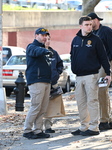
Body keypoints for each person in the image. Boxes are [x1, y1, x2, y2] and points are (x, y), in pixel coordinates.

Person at [70, 16, 111, 136]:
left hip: (92, 76)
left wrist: (108, 73)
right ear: (80, 26)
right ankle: (84, 126)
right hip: (78, 77)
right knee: (81, 102)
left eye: (90, 24)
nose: (89, 26)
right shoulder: (75, 40)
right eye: (86, 24)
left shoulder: (96, 40)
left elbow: (103, 57)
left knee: (92, 101)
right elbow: (73, 56)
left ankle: (94, 127)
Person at [23, 27, 53, 139]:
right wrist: (46, 50)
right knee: (35, 106)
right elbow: (36, 51)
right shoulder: (32, 47)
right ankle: (27, 130)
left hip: (46, 81)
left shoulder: (45, 49)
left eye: (46, 35)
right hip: (36, 81)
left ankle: (38, 130)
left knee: (43, 108)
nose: (44, 37)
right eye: (42, 35)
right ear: (36, 35)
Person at [88, 12, 112, 131]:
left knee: (101, 90)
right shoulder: (92, 34)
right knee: (101, 92)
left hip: (106, 64)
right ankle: (108, 119)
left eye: (90, 21)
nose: (89, 24)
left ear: (96, 20)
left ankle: (104, 120)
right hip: (97, 66)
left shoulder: (106, 31)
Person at [44, 33, 63, 133]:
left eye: (49, 39)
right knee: (40, 105)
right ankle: (37, 127)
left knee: (51, 105)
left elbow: (60, 64)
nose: (47, 41)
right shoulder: (38, 52)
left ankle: (48, 127)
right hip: (42, 83)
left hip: (53, 82)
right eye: (45, 39)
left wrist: (57, 73)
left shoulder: (54, 52)